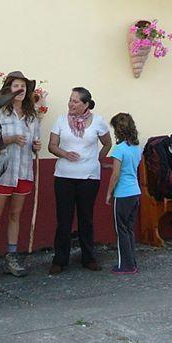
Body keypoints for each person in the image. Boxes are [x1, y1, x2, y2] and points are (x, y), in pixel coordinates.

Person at [0, 71, 41, 281]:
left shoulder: (32, 117)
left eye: (23, 86)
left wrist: (36, 146)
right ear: (8, 89)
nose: (20, 90)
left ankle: (12, 256)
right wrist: (12, 138)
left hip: (24, 171)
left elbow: (36, 143)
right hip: (3, 172)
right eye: (16, 86)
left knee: (15, 216)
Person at [47, 87, 112, 274]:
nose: (71, 104)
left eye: (75, 101)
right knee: (64, 220)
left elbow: (108, 143)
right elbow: (52, 146)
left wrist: (98, 159)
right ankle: (60, 259)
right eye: (70, 100)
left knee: (86, 219)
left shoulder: (98, 121)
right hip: (64, 177)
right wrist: (65, 153)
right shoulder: (60, 120)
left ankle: (88, 257)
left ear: (85, 105)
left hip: (89, 177)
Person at [105, 113, 142, 275]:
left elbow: (116, 175)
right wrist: (112, 167)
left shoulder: (118, 149)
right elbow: (129, 168)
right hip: (135, 192)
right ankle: (132, 261)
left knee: (121, 231)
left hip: (122, 194)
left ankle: (126, 265)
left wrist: (108, 193)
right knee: (129, 229)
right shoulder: (136, 148)